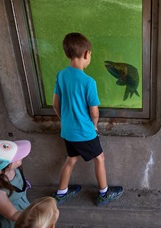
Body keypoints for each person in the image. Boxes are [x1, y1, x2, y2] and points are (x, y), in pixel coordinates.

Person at [52, 32, 123, 206]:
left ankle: (61, 193)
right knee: (99, 158)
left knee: (71, 159)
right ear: (86, 54)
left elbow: (55, 104)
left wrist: (65, 120)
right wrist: (95, 126)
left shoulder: (61, 75)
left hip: (67, 131)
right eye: (90, 54)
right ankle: (104, 193)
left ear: (67, 54)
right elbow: (94, 111)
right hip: (84, 131)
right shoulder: (88, 81)